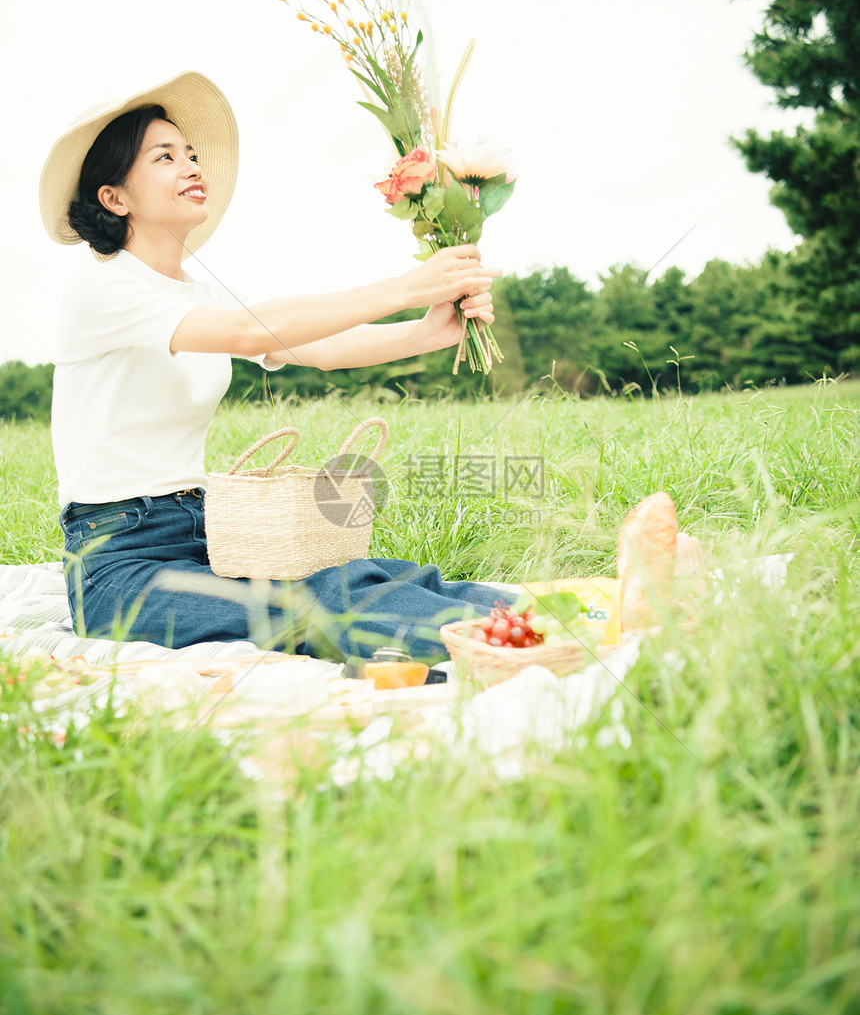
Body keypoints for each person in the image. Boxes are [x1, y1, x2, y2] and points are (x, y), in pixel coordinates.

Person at [39, 69, 514, 663]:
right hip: (122, 565)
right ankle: (511, 644)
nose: (192, 166)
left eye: (190, 153)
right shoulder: (101, 289)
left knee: (361, 574)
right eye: (165, 157)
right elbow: (249, 331)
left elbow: (320, 349)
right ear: (115, 197)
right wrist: (403, 287)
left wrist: (425, 331)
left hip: (212, 536)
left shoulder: (198, 293)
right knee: (316, 605)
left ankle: (550, 618)